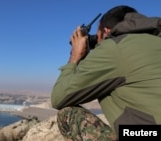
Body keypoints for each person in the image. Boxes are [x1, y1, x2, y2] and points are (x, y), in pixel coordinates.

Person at [51, 5, 161, 141]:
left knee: (67, 114)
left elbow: (58, 98)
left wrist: (75, 57)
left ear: (107, 31)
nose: (98, 45)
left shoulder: (115, 47)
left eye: (98, 38)